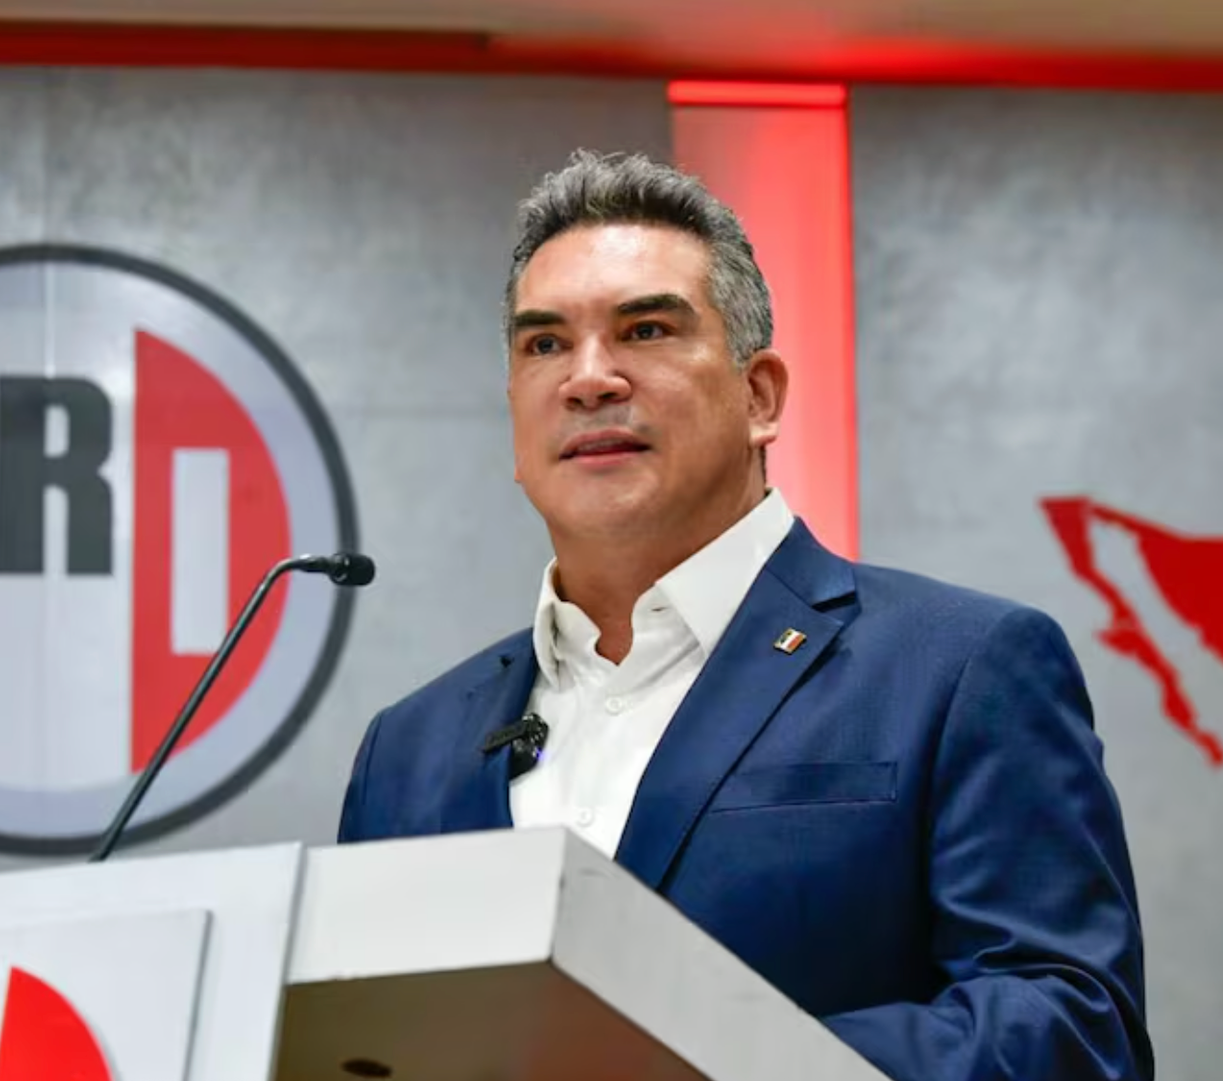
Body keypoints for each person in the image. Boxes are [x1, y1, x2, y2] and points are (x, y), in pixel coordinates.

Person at [337, 150, 1153, 1081]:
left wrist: (705, 1062)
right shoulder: (407, 750)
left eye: (645, 329)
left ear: (759, 396)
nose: (588, 379)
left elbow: (1072, 1029)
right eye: (545, 345)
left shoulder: (961, 668)